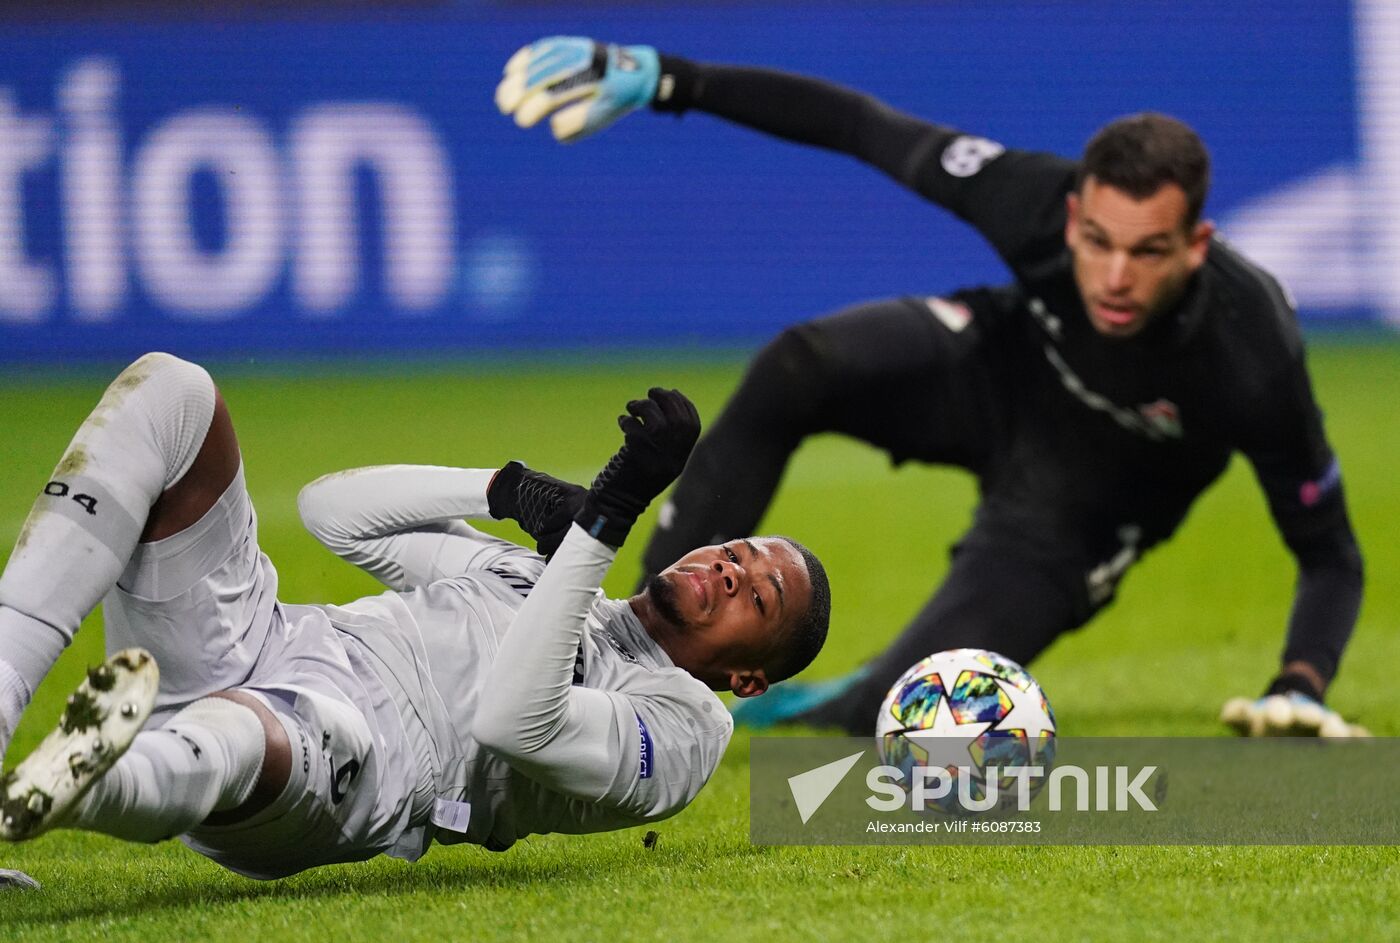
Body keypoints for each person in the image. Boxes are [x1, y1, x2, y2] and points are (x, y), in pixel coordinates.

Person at [495, 38, 1367, 738]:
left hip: (1091, 502)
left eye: (1147, 252)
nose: (1112, 276)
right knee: (802, 364)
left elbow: (1329, 551)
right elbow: (860, 125)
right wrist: (670, 79)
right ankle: (649, 641)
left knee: (894, 711)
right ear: (1073, 213)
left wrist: (1300, 683)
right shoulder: (1030, 198)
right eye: (1096, 240)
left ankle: (851, 693)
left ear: (1197, 244)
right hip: (1002, 368)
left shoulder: (1253, 352)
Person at [0, 352, 831, 880]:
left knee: (255, 730)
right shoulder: (540, 574)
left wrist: (604, 521)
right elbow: (334, 510)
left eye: (757, 595)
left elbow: (514, 719)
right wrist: (505, 491)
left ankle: (87, 782)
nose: (728, 569)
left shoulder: (685, 730)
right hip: (264, 636)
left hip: (363, 761)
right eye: (739, 552)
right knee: (176, 393)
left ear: (746, 675)